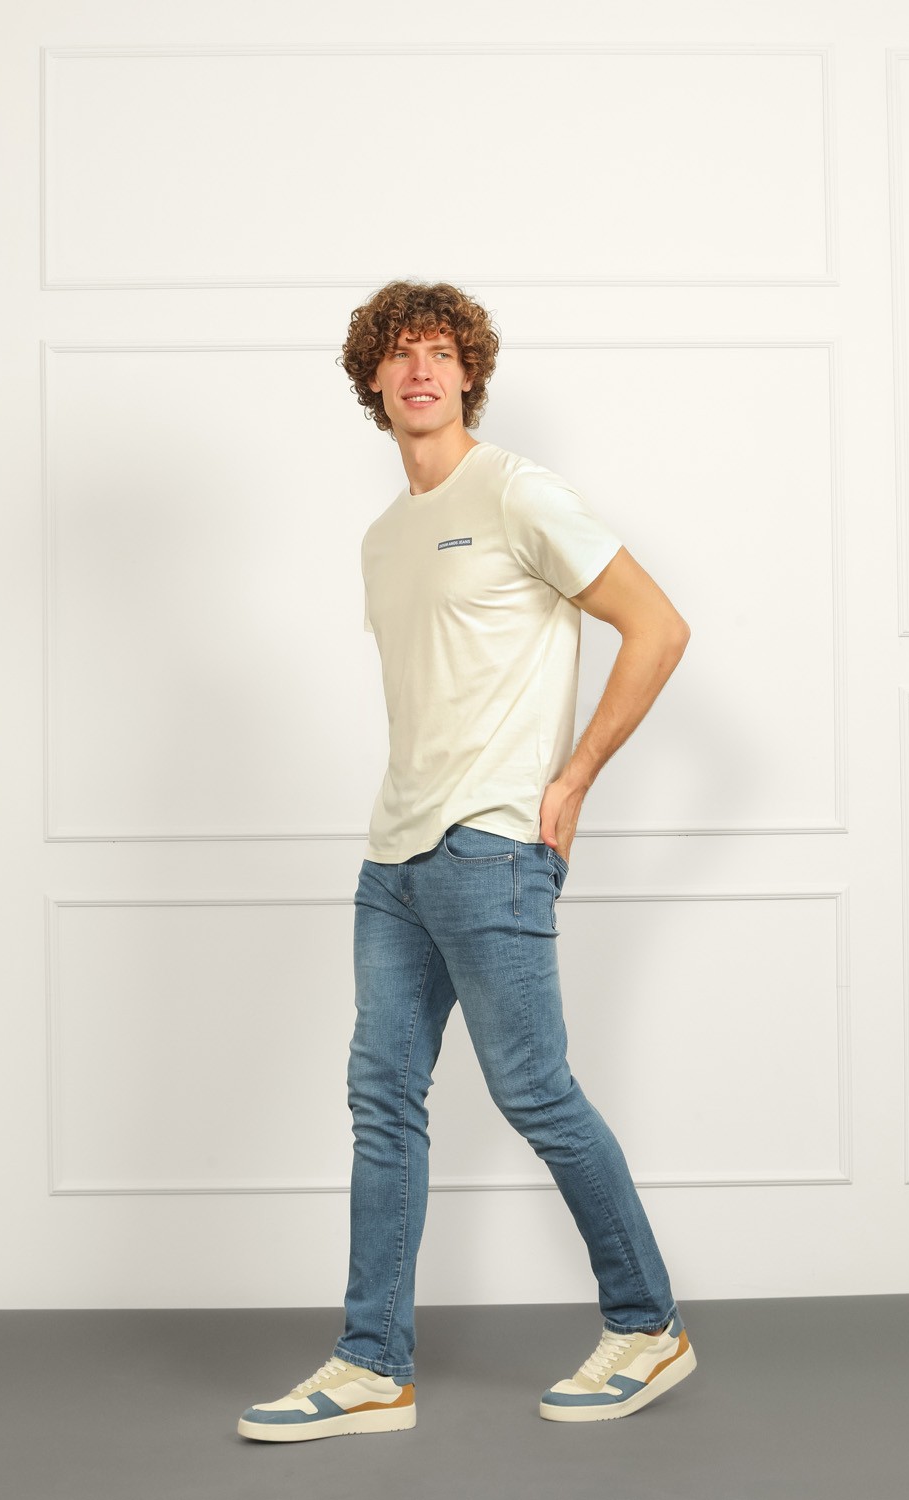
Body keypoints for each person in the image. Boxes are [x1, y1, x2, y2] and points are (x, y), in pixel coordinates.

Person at [238, 281, 694, 1443]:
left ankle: (646, 1324)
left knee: (533, 1089)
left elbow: (657, 626)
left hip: (492, 845)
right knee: (381, 1101)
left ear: (468, 373)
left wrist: (572, 778)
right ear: (372, 381)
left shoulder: (517, 491)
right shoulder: (383, 535)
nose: (419, 370)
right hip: (393, 857)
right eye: (398, 355)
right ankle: (369, 1364)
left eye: (438, 352)